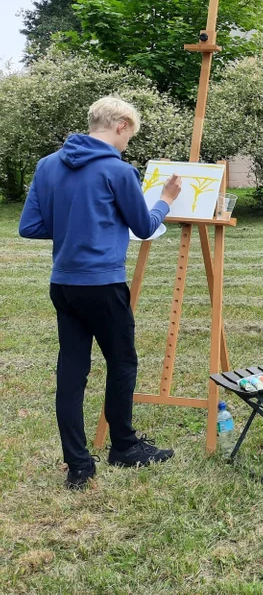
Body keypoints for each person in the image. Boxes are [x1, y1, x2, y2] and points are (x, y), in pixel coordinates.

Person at [19, 96, 182, 489]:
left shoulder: (47, 165)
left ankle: (78, 466)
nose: (128, 144)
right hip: (103, 284)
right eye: (130, 135)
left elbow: (30, 226)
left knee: (71, 374)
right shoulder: (117, 170)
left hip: (64, 284)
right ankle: (123, 447)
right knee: (122, 362)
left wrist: (73, 226)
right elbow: (144, 226)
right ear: (121, 124)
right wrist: (166, 200)